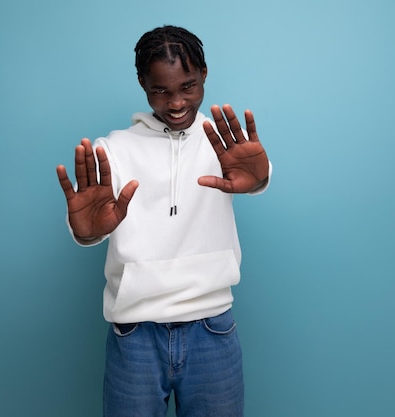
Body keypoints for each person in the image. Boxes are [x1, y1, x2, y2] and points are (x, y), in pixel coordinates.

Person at [56, 25, 271, 417]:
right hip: (136, 334)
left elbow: (254, 173)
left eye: (188, 86)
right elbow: (89, 224)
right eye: (161, 90)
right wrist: (86, 233)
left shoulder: (222, 142)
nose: (176, 102)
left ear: (204, 73)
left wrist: (259, 179)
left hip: (212, 327)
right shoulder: (113, 149)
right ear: (142, 83)